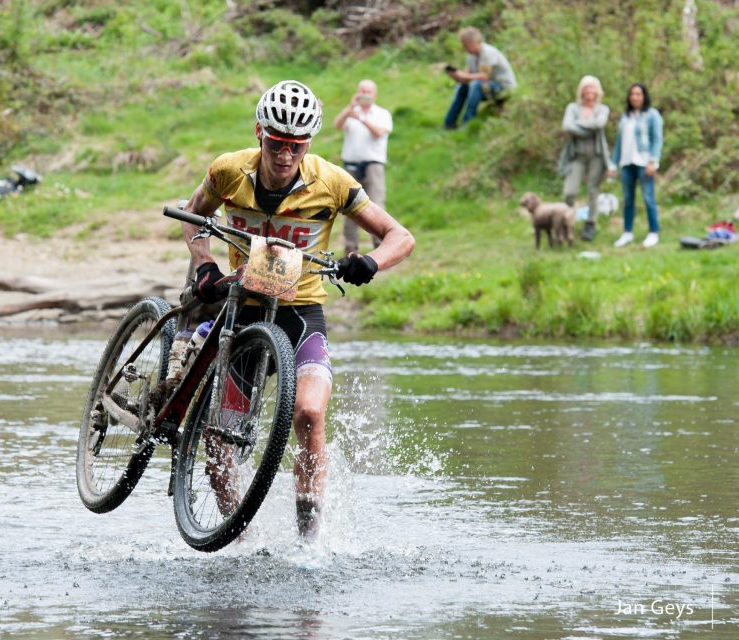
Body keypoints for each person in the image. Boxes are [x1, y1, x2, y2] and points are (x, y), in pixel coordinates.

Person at [178, 80, 415, 539]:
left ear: (309, 143)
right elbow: (193, 216)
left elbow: (400, 237)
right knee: (219, 436)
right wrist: (204, 263)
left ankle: (309, 536)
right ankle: (236, 540)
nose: (285, 154)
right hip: (241, 309)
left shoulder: (333, 182)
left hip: (301, 310)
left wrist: (369, 261)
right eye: (277, 142)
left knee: (309, 414)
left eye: (296, 145)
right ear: (259, 133)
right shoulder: (228, 171)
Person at [333, 79, 393, 255]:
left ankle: (380, 247)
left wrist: (362, 119)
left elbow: (380, 133)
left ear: (374, 94)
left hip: (373, 166)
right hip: (351, 167)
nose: (365, 94)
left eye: (368, 91)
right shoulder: (351, 113)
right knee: (349, 207)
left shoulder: (381, 114)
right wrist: (350, 109)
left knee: (377, 205)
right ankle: (350, 249)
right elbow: (337, 125)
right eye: (362, 91)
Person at [559, 75, 615, 243]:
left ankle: (590, 223)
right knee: (570, 191)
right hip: (577, 156)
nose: (589, 91)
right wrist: (587, 128)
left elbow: (599, 124)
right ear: (581, 91)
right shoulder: (572, 108)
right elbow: (567, 126)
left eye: (593, 88)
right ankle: (565, 221)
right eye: (586, 88)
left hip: (596, 156)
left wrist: (578, 126)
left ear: (598, 91)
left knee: (593, 190)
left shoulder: (602, 109)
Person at [608, 83, 663, 248]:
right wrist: (613, 164)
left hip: (644, 162)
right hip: (627, 163)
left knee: (648, 198)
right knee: (627, 199)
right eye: (632, 94)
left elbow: (657, 139)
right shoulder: (625, 117)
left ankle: (653, 232)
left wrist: (653, 161)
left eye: (638, 94)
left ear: (644, 96)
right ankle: (627, 233)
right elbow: (619, 143)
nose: (635, 97)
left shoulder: (652, 115)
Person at [444, 27, 517, 128]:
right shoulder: (471, 55)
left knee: (476, 85)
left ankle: (467, 124)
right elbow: (467, 77)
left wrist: (465, 75)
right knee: (462, 87)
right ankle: (449, 123)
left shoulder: (488, 52)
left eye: (466, 45)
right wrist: (456, 75)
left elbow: (484, 76)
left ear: (474, 42)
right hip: (486, 87)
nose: (464, 47)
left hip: (503, 87)